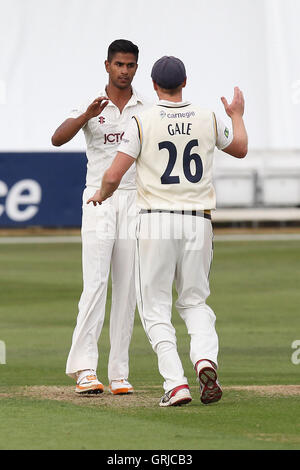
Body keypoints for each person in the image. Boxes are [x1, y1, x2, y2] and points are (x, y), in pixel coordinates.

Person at [86, 56, 248, 406]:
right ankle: (205, 359)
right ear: (185, 81)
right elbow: (240, 148)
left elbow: (114, 175)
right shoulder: (207, 117)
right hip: (198, 220)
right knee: (195, 301)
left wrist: (101, 194)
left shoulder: (142, 120)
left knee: (155, 307)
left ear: (155, 85)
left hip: (156, 219)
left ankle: (175, 383)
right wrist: (236, 115)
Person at [51, 39, 148, 395]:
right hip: (97, 200)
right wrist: (86, 117)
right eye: (119, 64)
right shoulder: (92, 104)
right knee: (95, 284)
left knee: (128, 289)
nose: (124, 71)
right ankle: (84, 369)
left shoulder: (145, 108)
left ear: (136, 68)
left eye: (131, 65)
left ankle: (119, 372)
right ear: (107, 65)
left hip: (133, 200)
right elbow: (57, 138)